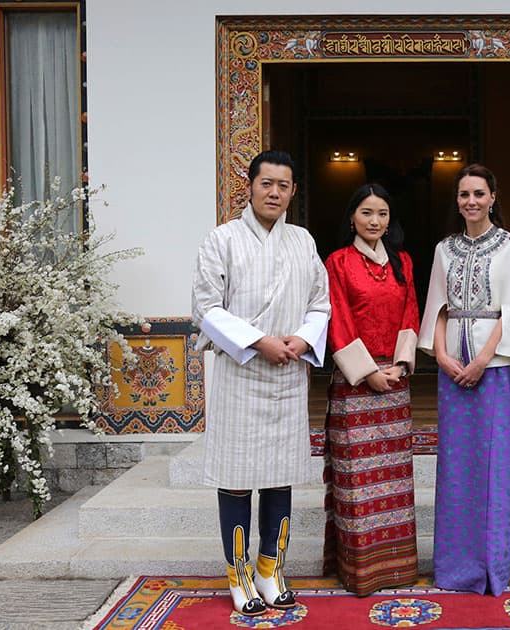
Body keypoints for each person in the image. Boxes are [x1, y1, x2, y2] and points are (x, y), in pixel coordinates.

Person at [191, 150, 330, 617]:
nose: (274, 192)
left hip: (289, 372)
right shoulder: (222, 240)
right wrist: (259, 342)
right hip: (241, 372)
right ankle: (239, 574)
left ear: (293, 191)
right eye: (266, 183)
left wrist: (300, 338)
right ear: (248, 187)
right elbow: (207, 309)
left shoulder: (303, 241)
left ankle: (272, 569)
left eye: (283, 185)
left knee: (278, 475)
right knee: (236, 477)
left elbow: (320, 305)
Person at [418, 164, 510, 596]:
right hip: (452, 373)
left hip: (493, 371)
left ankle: (491, 568)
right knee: (455, 469)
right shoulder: (444, 249)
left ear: (493, 198)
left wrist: (482, 360)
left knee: (492, 469)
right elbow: (438, 308)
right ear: (458, 201)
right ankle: (453, 570)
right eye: (464, 194)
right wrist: (445, 358)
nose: (471, 201)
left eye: (479, 194)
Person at [322, 183, 421, 596]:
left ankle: (398, 568)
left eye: (382, 213)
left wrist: (399, 365)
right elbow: (337, 318)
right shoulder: (338, 262)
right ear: (352, 218)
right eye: (366, 213)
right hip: (354, 386)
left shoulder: (402, 261)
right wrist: (366, 373)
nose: (374, 221)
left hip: (395, 383)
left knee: (394, 482)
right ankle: (360, 572)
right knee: (357, 482)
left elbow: (411, 309)